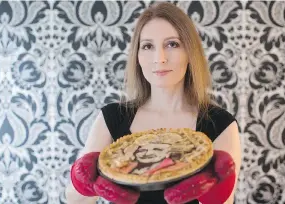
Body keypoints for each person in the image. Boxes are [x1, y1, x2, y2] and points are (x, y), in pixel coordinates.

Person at [65, 2, 241, 204]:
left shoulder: (220, 124)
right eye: (148, 46)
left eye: (172, 44)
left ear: (190, 52)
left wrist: (215, 193)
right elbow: (75, 200)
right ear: (137, 56)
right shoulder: (112, 117)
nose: (160, 58)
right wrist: (85, 181)